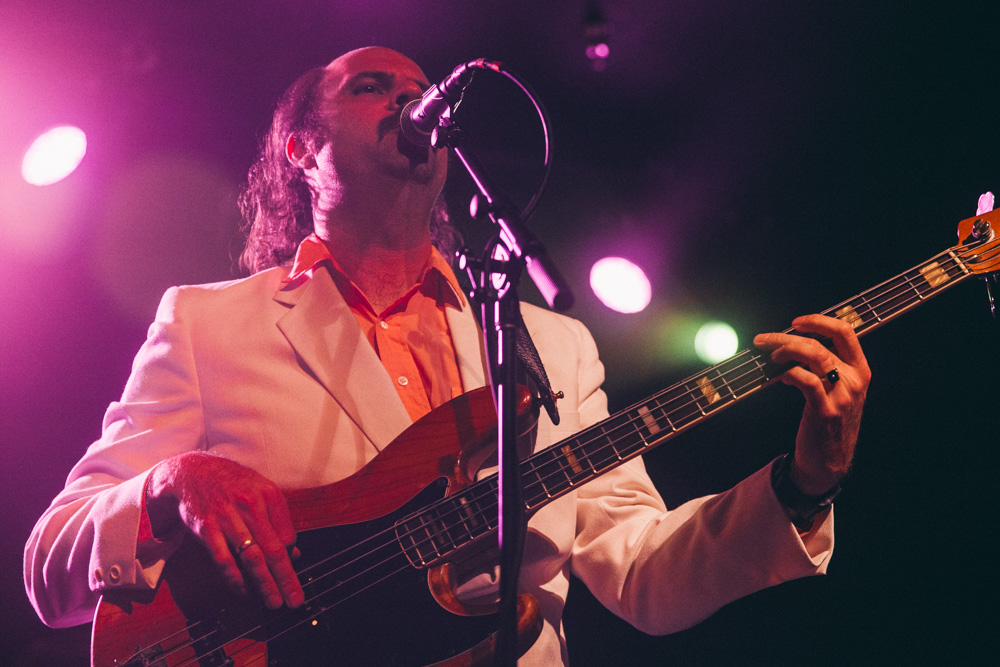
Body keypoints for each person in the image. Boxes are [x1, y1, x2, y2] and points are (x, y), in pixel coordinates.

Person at [24, 47, 870, 665]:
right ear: (300, 150)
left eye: (423, 91)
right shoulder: (208, 323)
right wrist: (171, 484)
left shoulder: (552, 344)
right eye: (373, 88)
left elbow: (642, 573)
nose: (413, 101)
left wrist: (804, 485)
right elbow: (51, 564)